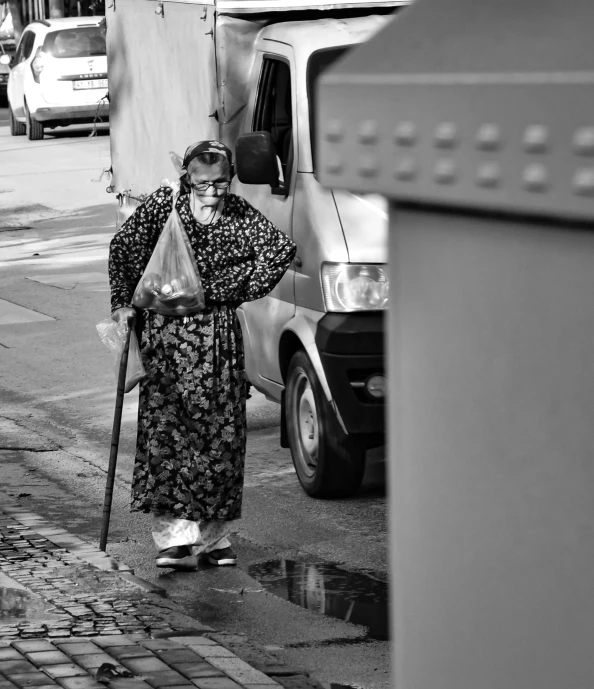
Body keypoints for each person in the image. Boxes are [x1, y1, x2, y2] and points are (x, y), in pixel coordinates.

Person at [108, 140, 296, 569]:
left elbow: (279, 250)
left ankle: (214, 539)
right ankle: (174, 539)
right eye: (203, 181)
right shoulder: (166, 204)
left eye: (221, 181)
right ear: (187, 177)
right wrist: (124, 303)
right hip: (167, 337)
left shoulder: (238, 213)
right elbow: (124, 249)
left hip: (217, 338)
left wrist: (232, 289)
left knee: (220, 434)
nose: (213, 189)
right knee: (167, 434)